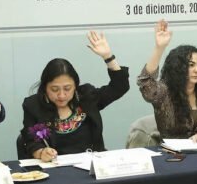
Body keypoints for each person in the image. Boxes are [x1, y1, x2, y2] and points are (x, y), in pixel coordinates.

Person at [20, 31, 130, 160]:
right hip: (56, 166)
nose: (61, 95)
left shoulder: (87, 96)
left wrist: (108, 57)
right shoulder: (33, 106)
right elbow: (30, 141)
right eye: (54, 89)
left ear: (75, 86)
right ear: (45, 88)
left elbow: (120, 87)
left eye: (67, 88)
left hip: (92, 164)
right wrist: (41, 152)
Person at [138, 20, 197, 142]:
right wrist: (159, 48)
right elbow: (146, 82)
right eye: (191, 65)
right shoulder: (164, 92)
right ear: (178, 67)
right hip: (173, 151)